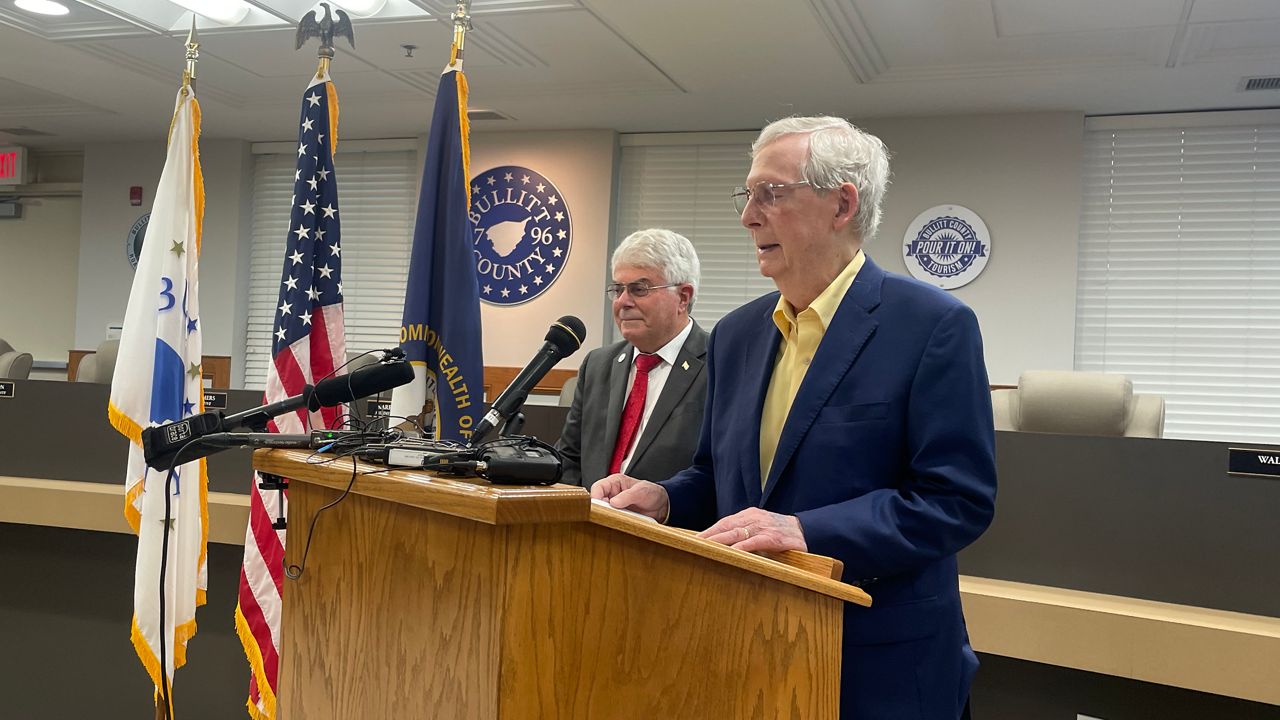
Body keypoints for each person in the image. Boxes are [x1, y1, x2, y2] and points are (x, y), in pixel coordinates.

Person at [591, 117, 997, 720]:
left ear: (842, 204)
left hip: (876, 660)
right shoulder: (735, 335)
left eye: (770, 194)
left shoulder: (933, 326)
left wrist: (807, 531)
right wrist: (665, 498)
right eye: (747, 195)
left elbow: (954, 500)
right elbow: (718, 477)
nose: (749, 216)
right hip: (746, 645)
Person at [556, 228, 709, 489]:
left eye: (639, 289)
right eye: (617, 289)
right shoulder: (598, 365)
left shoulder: (719, 364)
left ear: (683, 297)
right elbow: (569, 458)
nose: (623, 302)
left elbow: (716, 471)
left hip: (667, 526)